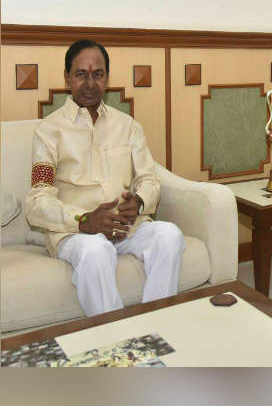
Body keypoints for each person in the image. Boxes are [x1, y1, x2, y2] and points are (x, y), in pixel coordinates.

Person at [24, 39, 185, 317]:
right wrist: (82, 220)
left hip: (126, 228)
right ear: (67, 78)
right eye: (81, 74)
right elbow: (37, 200)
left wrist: (139, 202)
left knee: (169, 235)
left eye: (98, 74)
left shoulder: (128, 127)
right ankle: (116, 335)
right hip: (76, 234)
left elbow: (149, 180)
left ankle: (156, 323)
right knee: (97, 250)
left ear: (107, 78)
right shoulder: (48, 132)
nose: (90, 84)